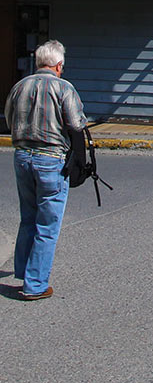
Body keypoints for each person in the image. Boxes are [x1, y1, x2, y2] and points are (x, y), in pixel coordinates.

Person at [4, 39, 87, 300]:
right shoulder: (64, 88)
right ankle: (35, 285)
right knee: (47, 224)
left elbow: (9, 118)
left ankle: (23, 271)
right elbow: (76, 124)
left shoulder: (20, 86)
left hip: (22, 156)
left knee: (28, 216)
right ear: (59, 65)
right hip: (50, 158)